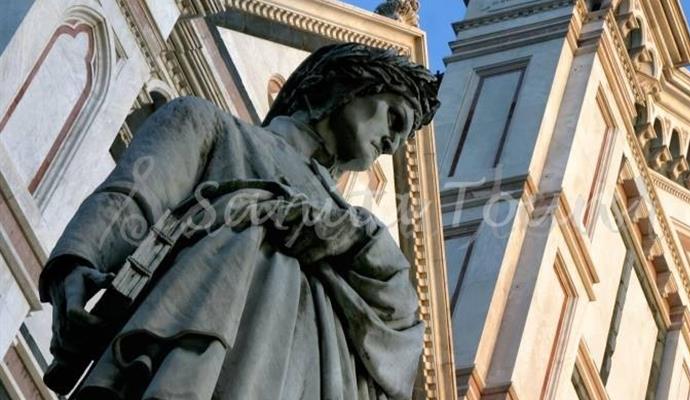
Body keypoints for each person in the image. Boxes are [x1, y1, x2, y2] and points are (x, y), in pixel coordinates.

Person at [39, 42, 440, 399]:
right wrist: (77, 261)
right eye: (394, 118)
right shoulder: (214, 127)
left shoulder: (356, 234)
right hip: (184, 357)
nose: (393, 143)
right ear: (348, 85)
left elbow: (400, 337)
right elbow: (133, 196)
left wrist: (359, 238)